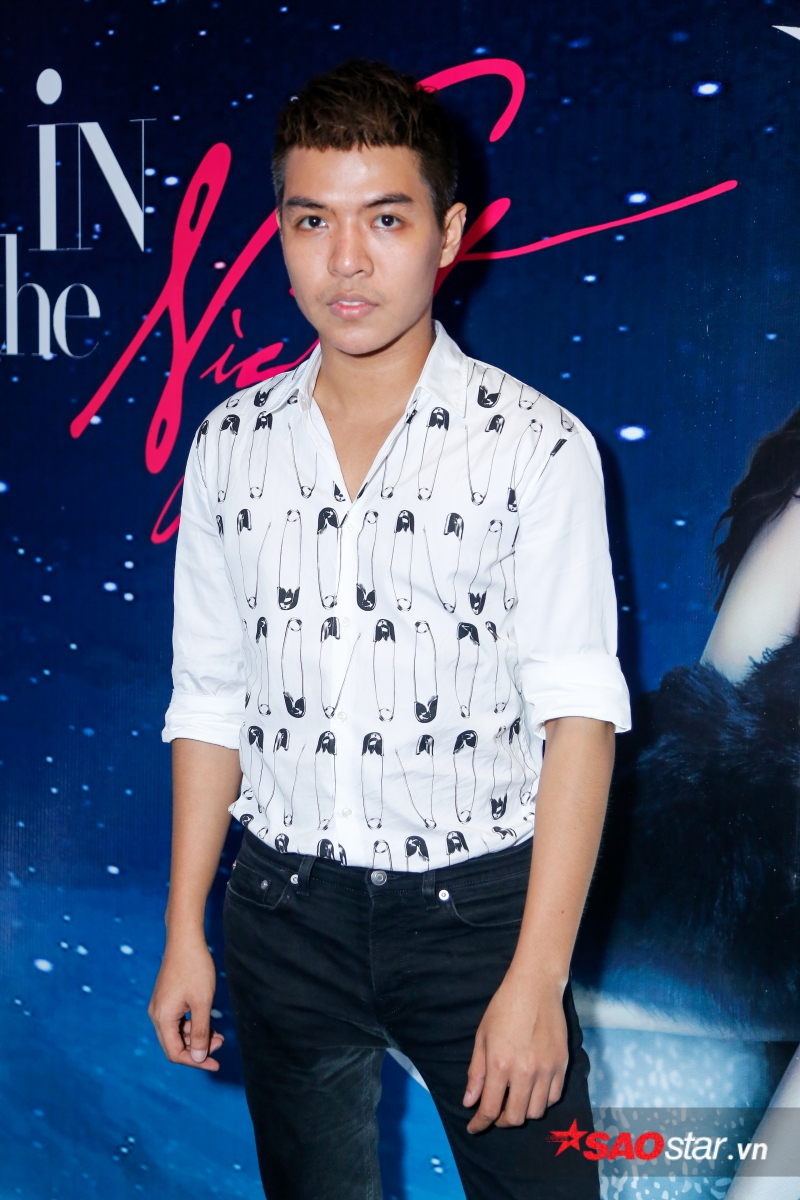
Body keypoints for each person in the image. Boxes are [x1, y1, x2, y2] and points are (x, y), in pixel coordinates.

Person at [148, 59, 631, 1200]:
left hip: (481, 923)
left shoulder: (536, 446)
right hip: (280, 916)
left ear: (448, 235)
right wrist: (184, 930)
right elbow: (209, 697)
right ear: (279, 234)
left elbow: (579, 716)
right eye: (312, 220)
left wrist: (536, 979)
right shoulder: (229, 445)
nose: (347, 260)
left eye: (386, 218)